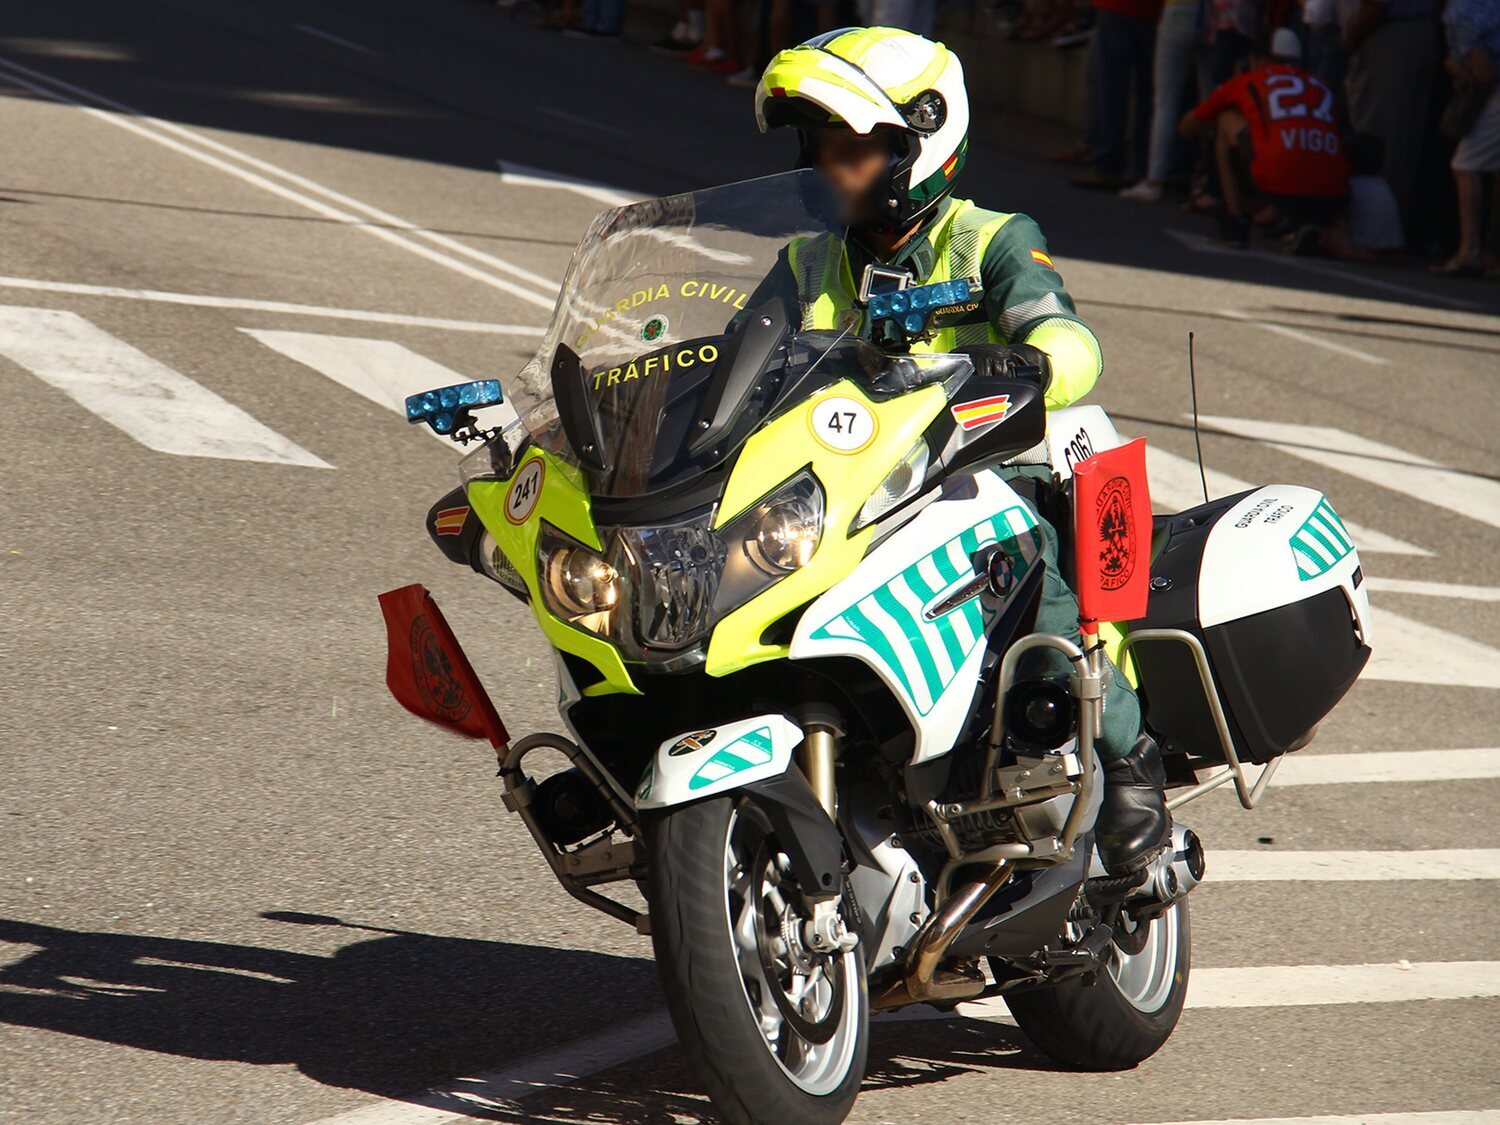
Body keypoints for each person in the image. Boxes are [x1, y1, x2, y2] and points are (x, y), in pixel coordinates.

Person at [753, 28, 1171, 876]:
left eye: (855, 151)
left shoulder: (993, 239)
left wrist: (1032, 360)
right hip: (845, 485)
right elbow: (734, 361)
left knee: (1016, 559)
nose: (833, 170)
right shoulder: (805, 262)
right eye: (821, 151)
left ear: (923, 142)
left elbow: (1068, 336)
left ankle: (1132, 763)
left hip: (979, 470)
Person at [1180, 28, 1349, 246]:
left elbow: (1187, 127)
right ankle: (1309, 225)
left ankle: (1236, 222)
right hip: (1333, 192)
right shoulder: (1321, 87)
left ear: (1259, 59)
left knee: (1225, 120)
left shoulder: (1249, 80)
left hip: (1280, 182)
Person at [1342, 0, 1441, 222]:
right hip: (1406, 30)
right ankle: (1385, 223)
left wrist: (1351, 34)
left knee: (1378, 140)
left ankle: (1374, 225)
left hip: (1389, 32)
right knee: (1397, 140)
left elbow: (1376, 6)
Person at [1433, 0, 1500, 276]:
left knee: (1466, 164)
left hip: (1496, 92)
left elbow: (1485, 74)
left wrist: (1457, 69)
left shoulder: (1460, 12)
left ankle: (1469, 251)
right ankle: (1491, 255)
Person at [1074, 0, 1163, 190]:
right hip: (1155, 11)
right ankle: (1141, 165)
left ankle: (1109, 163)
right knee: (1147, 91)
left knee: (1112, 86)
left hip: (1117, 6)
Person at [1288, 132, 1403, 259]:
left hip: (1363, 249)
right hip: (1392, 250)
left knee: (1322, 232)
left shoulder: (1349, 185)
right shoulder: (1381, 185)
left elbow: (1334, 215)